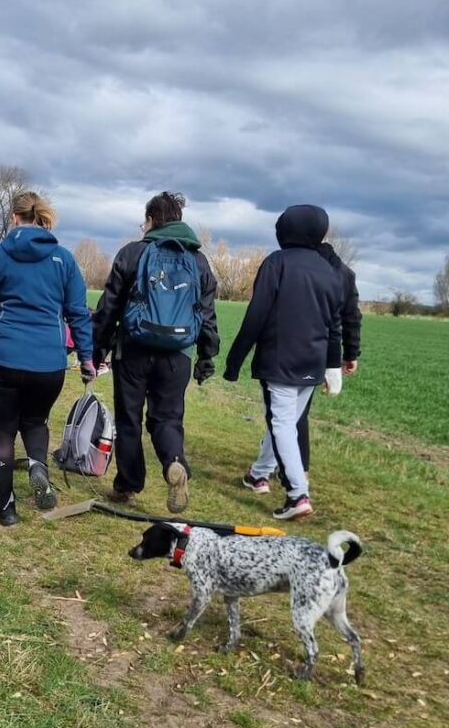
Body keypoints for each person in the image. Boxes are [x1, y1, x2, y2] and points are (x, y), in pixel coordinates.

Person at [0, 191, 94, 526]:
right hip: (48, 364)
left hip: (4, 358)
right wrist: (87, 357)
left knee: (3, 431)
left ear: (14, 218)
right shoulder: (64, 260)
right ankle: (38, 464)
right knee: (35, 422)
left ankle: (6, 506)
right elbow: (78, 313)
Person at [91, 191, 219, 514]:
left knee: (129, 419)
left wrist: (98, 347)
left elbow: (109, 307)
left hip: (133, 349)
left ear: (150, 221)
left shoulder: (132, 254)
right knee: (167, 418)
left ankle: (128, 484)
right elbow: (206, 314)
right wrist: (207, 355)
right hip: (178, 355)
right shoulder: (198, 261)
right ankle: (174, 464)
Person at [224, 204, 345, 521]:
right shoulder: (330, 272)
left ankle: (297, 494)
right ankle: (258, 474)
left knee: (281, 425)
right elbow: (335, 326)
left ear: (285, 231)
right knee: (286, 424)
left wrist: (235, 360)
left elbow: (256, 316)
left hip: (280, 362)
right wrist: (333, 367)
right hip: (312, 363)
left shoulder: (277, 263)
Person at [244, 240, 362, 496]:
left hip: (287, 357)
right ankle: (262, 472)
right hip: (319, 358)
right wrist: (350, 354)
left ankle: (295, 487)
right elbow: (352, 317)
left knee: (284, 420)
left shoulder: (298, 270)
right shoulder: (344, 275)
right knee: (287, 418)